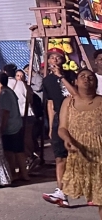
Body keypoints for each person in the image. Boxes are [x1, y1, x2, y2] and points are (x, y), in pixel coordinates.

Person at [57, 69, 102, 218]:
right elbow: (62, 128)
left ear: (96, 83)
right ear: (75, 82)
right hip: (80, 154)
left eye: (91, 77)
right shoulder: (68, 102)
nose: (87, 79)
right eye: (82, 76)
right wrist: (68, 140)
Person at [42, 49, 79, 207]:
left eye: (58, 57)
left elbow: (76, 95)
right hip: (59, 119)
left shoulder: (72, 75)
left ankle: (91, 190)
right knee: (60, 156)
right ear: (49, 61)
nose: (55, 60)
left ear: (63, 60)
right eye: (52, 58)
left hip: (76, 118)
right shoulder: (47, 81)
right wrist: (51, 126)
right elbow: (50, 104)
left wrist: (61, 77)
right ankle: (61, 192)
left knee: (79, 156)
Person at [0, 71, 28, 181]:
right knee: (19, 151)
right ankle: (24, 174)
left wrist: (2, 128)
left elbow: (5, 112)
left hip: (10, 127)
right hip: (17, 124)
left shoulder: (4, 94)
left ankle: (13, 174)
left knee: (10, 152)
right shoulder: (10, 92)